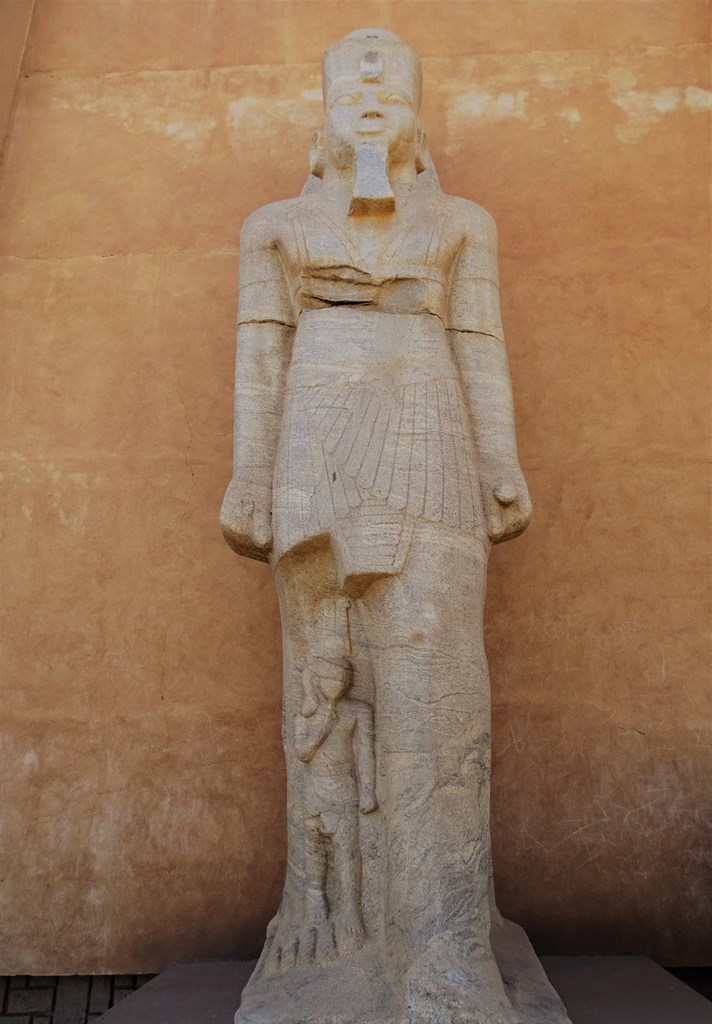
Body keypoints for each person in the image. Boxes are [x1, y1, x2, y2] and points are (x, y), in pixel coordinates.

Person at [222, 28, 568, 1024]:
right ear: (320, 121)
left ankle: (446, 948)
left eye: (391, 88)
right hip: (314, 452)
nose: (370, 95)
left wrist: (501, 459)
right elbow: (259, 363)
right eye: (350, 87)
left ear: (417, 124)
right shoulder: (275, 230)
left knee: (436, 676)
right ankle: (331, 935)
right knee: (323, 684)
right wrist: (248, 474)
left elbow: (479, 343)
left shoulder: (460, 224)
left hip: (432, 441)